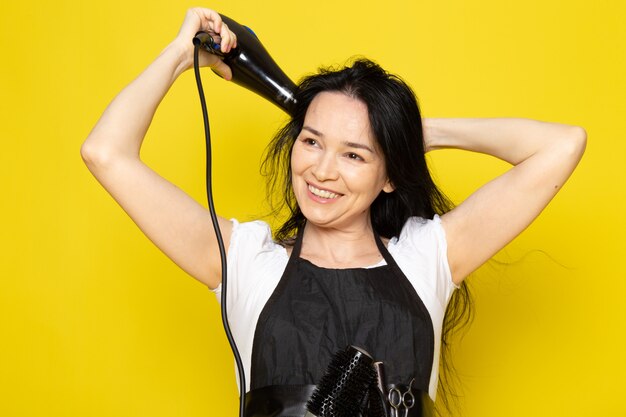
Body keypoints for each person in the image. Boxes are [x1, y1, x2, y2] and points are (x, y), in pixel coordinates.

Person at [81, 7, 587, 417]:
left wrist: (412, 134)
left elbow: (561, 146)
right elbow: (106, 153)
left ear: (388, 175)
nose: (323, 171)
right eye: (312, 142)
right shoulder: (246, 262)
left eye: (354, 154)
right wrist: (177, 55)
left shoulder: (428, 256)